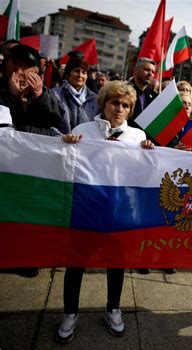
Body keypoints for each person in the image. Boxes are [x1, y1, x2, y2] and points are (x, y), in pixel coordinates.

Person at [55, 81, 154, 344]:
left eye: (125, 105)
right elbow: (67, 167)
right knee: (75, 263)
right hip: (86, 209)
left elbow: (143, 176)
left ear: (130, 109)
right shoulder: (82, 130)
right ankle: (70, 312)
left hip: (120, 210)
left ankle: (113, 308)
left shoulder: (137, 137)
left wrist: (150, 156)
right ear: (103, 104)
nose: (119, 109)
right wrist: (67, 144)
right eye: (114, 103)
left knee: (116, 262)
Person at [52, 58, 100, 134]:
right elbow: (49, 123)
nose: (80, 75)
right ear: (68, 74)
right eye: (76, 71)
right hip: (60, 143)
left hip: (85, 144)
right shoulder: (54, 94)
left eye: (84, 72)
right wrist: (63, 137)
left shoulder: (95, 99)